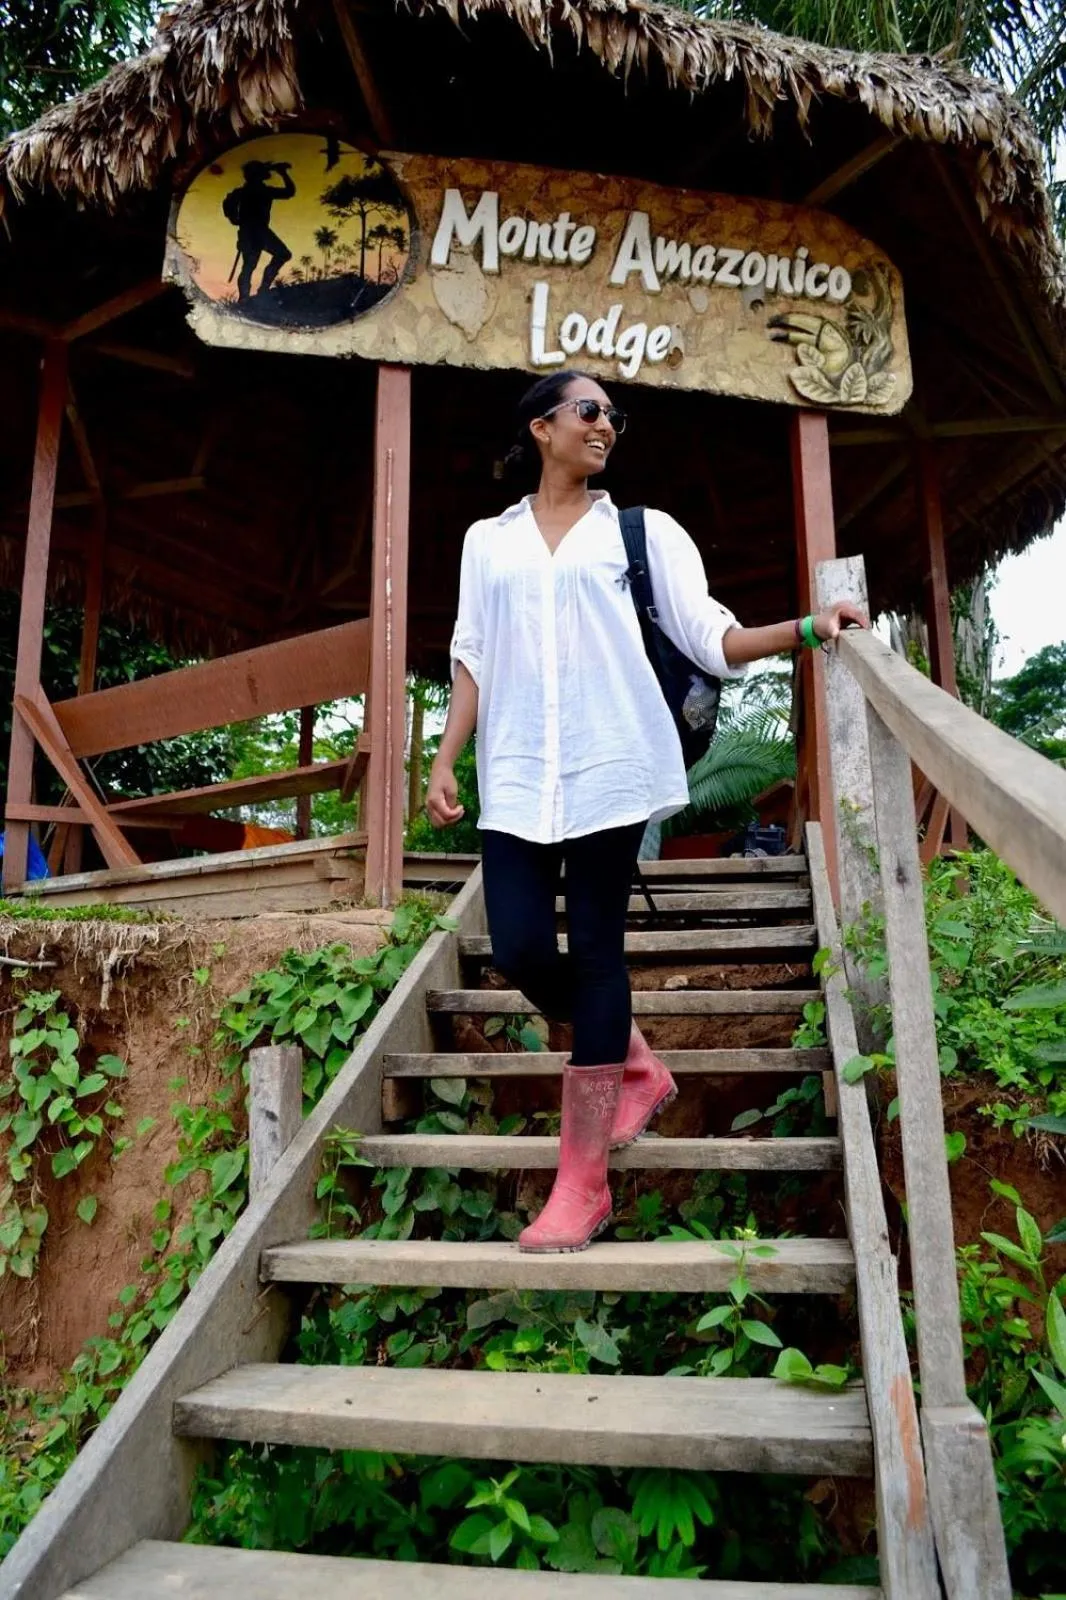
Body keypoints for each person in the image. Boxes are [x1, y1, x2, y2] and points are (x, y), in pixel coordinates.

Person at [426, 371, 866, 1253]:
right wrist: (444, 757)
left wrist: (810, 629)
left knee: (595, 950)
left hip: (611, 766)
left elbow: (713, 638)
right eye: (589, 412)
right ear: (541, 427)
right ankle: (630, 1057)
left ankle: (581, 1182)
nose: (606, 428)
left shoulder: (643, 532)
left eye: (613, 417)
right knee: (514, 944)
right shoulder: (489, 541)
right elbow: (472, 655)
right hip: (515, 772)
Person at [224, 160, 296, 301]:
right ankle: (249, 295)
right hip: (253, 232)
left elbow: (289, 192)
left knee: (254, 263)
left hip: (258, 231)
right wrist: (234, 218)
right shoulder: (254, 191)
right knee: (251, 265)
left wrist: (234, 218)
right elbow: (289, 192)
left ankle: (258, 291)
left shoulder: (249, 191)